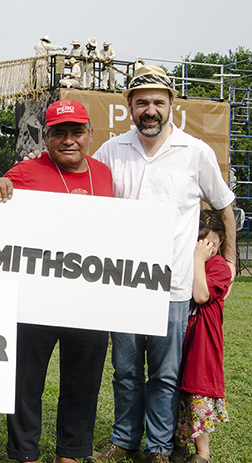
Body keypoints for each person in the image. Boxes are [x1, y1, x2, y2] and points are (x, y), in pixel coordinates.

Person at [89, 65, 236, 463]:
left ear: (172, 104)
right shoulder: (111, 151)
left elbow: (225, 206)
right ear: (128, 107)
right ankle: (124, 442)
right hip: (123, 284)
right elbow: (83, 194)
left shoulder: (196, 152)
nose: (149, 110)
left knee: (166, 375)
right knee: (125, 372)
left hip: (173, 287)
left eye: (157, 102)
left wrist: (231, 260)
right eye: (141, 103)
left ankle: (159, 446)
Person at [0, 100, 113, 463]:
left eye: (77, 132)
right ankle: (24, 452)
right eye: (59, 133)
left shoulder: (105, 175)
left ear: (90, 135)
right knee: (25, 382)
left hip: (89, 300)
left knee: (83, 382)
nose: (69, 140)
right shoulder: (25, 172)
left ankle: (71, 454)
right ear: (46, 136)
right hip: (35, 299)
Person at [172, 209, 231, 463]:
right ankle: (179, 444)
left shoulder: (219, 267)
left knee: (198, 395)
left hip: (203, 345)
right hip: (182, 341)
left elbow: (201, 295)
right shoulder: (183, 261)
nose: (208, 248)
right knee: (177, 394)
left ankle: (203, 453)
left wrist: (198, 258)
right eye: (202, 242)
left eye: (213, 243)